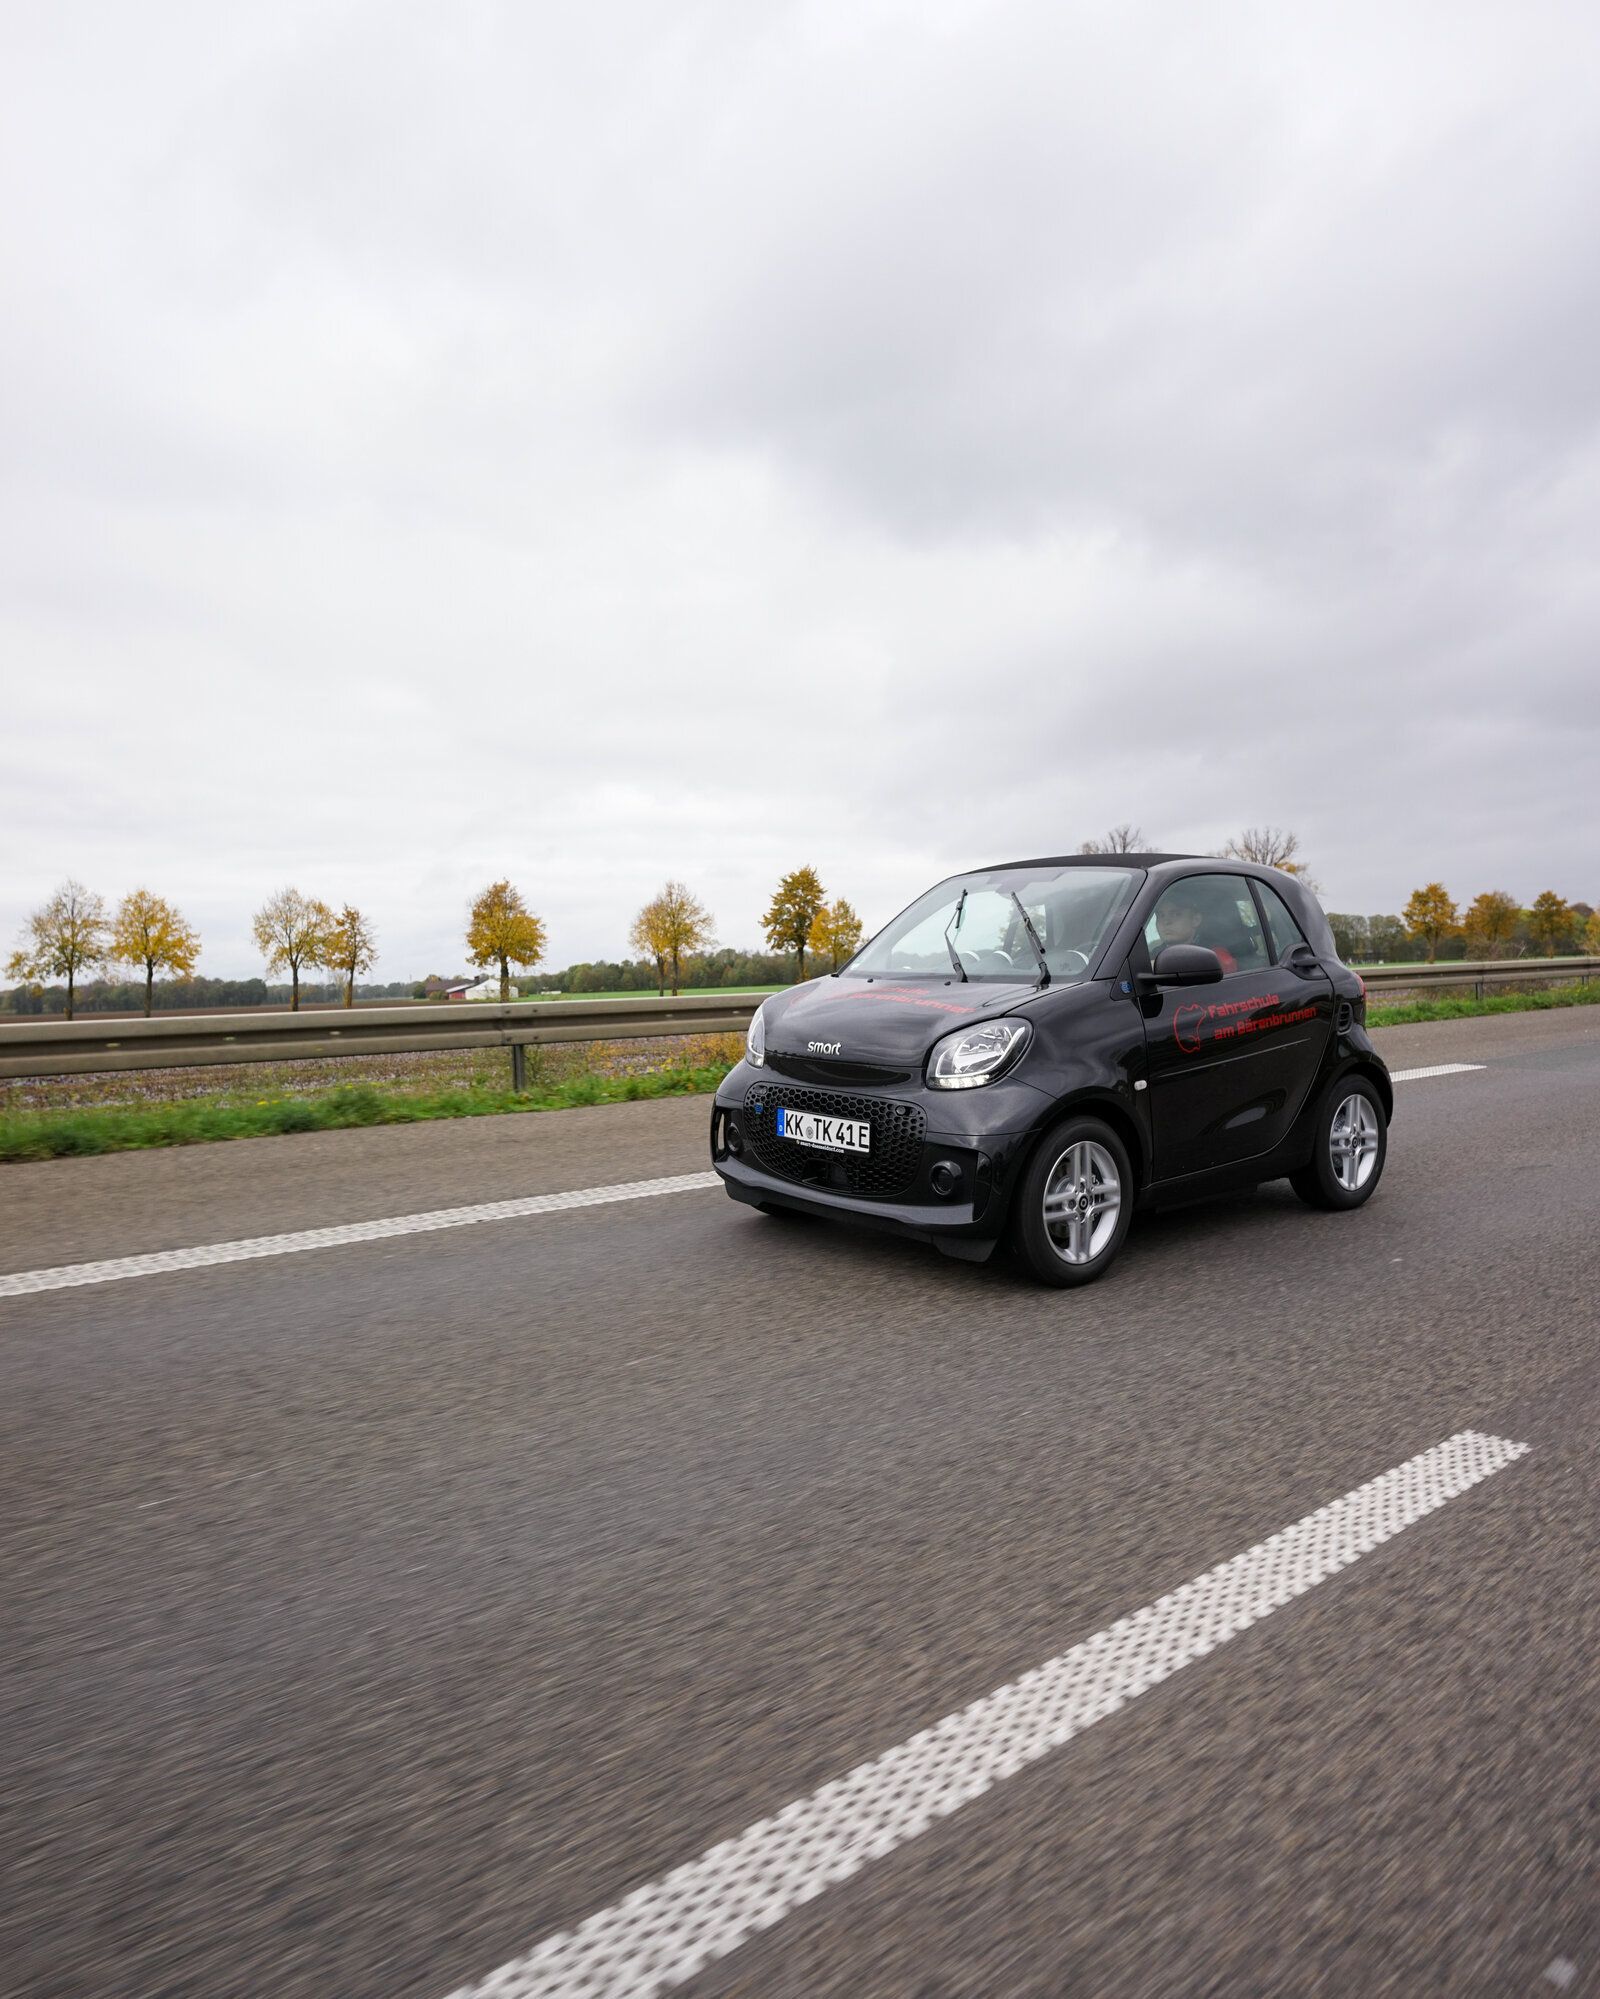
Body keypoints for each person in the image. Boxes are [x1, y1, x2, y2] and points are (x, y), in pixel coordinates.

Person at [1153, 893, 1237, 974]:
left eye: (1176, 914)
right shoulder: (1151, 956)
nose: (1166, 921)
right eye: (1161, 915)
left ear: (1196, 920)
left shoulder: (1213, 953)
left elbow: (1228, 972)